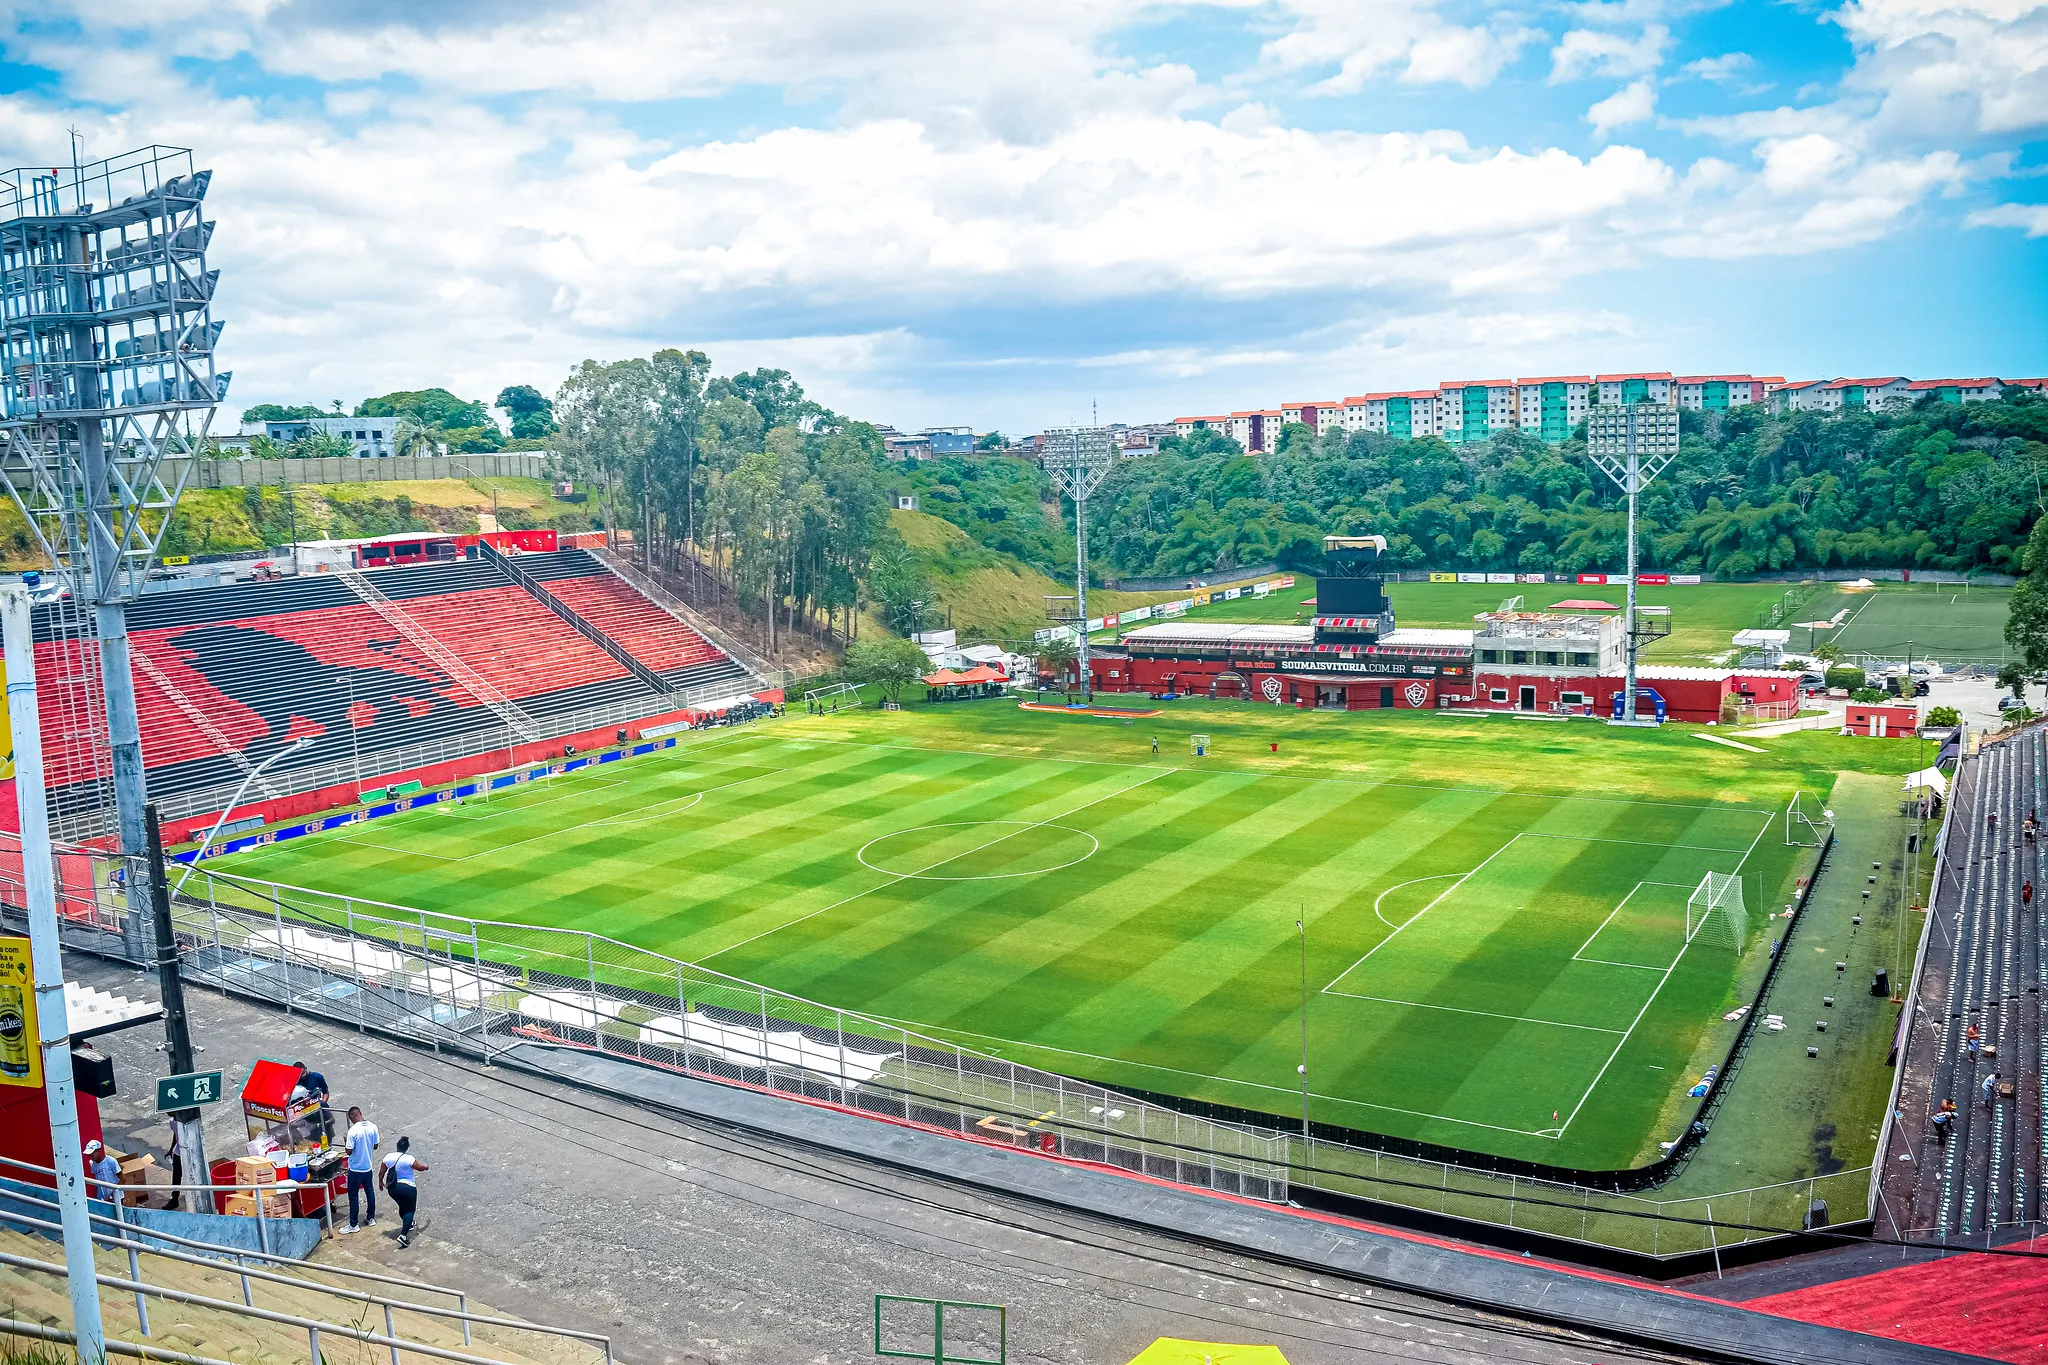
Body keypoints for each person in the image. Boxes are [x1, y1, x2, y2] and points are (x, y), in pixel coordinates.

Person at [380, 1137, 428, 1248]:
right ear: (407, 1147)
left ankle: (409, 1224)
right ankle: (403, 1236)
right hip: (408, 1188)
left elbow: (381, 1171)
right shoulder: (409, 1158)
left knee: (402, 1206)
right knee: (410, 1210)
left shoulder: (388, 1157)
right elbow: (419, 1168)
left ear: (397, 1146)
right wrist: (426, 1167)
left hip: (392, 1189)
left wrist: (380, 1183)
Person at [342, 1106, 380, 1233]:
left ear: (352, 1117)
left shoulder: (352, 1131)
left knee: (353, 1196)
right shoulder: (373, 1127)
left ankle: (354, 1224)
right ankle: (371, 1218)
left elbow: (348, 1151)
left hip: (355, 1169)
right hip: (367, 1167)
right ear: (360, 1113)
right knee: (370, 1193)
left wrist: (346, 1141)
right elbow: (375, 1146)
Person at [291, 1062, 333, 1143]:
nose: (301, 1076)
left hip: (321, 1121)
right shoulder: (295, 1081)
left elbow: (325, 1092)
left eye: (303, 1073)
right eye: (299, 1075)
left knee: (326, 1142)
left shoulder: (317, 1077)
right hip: (307, 1117)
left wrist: (321, 1106)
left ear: (306, 1069)